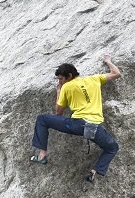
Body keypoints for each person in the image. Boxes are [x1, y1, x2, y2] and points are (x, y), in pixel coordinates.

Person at [28, 54, 122, 182]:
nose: (59, 81)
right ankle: (94, 171)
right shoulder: (94, 79)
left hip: (77, 125)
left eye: (61, 79)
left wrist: (59, 90)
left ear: (69, 76)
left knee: (42, 119)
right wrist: (108, 61)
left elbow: (59, 112)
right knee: (112, 147)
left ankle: (42, 155)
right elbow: (116, 73)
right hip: (95, 128)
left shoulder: (66, 86)